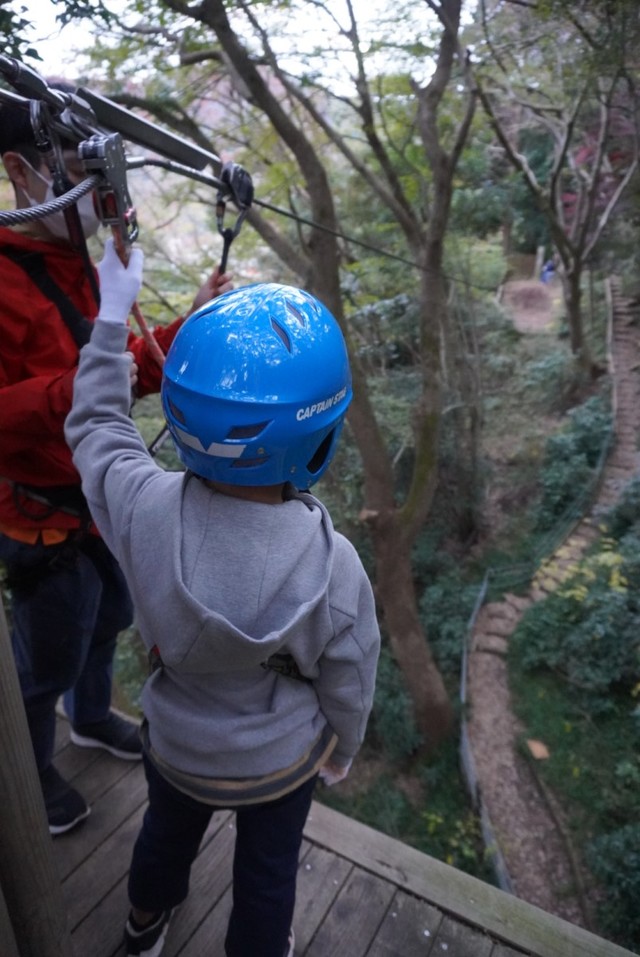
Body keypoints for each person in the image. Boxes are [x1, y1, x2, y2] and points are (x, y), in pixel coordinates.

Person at [64, 242, 380, 957]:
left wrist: (113, 314)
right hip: (278, 761)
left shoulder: (143, 506)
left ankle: (143, 927)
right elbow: (351, 672)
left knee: (163, 838)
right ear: (318, 438)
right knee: (267, 877)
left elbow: (98, 429)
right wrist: (342, 750)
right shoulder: (333, 564)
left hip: (177, 744)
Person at [0, 97, 232, 836]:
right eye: (79, 177)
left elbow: (123, 363)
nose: (103, 202)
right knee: (45, 657)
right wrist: (89, 377)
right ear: (20, 171)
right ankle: (28, 771)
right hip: (37, 513)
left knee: (115, 615)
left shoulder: (80, 265)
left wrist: (183, 326)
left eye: (107, 181)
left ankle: (93, 715)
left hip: (98, 492)